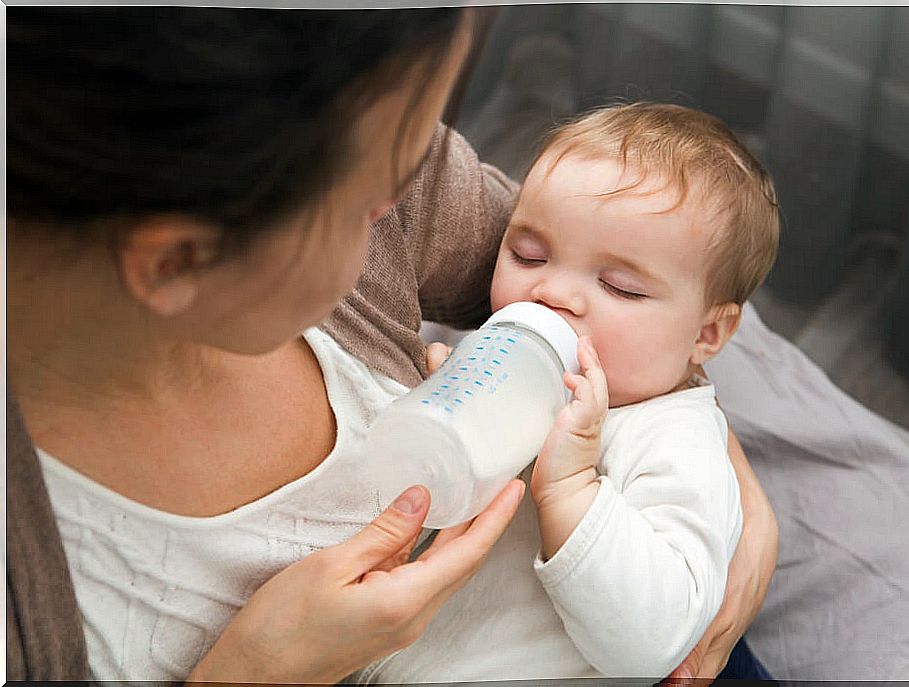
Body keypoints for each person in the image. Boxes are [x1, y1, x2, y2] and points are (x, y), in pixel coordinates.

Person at [5, 7, 777, 684]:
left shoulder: (365, 138)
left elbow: (645, 254)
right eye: (372, 198)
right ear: (179, 262)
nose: (550, 295)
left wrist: (708, 453)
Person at [357, 102, 778, 683]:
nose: (551, 291)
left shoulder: (675, 442)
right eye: (527, 254)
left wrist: (572, 490)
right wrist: (437, 402)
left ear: (706, 333)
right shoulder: (503, 356)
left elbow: (653, 642)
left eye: (619, 286)